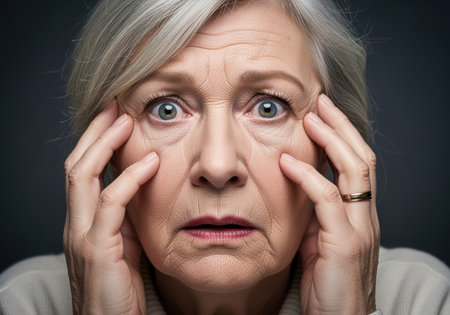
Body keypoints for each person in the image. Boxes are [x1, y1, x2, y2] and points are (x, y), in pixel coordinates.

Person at [0, 0, 449, 314]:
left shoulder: (427, 300)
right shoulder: (20, 303)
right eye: (166, 109)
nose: (217, 167)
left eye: (269, 107)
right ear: (105, 152)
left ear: (332, 146)